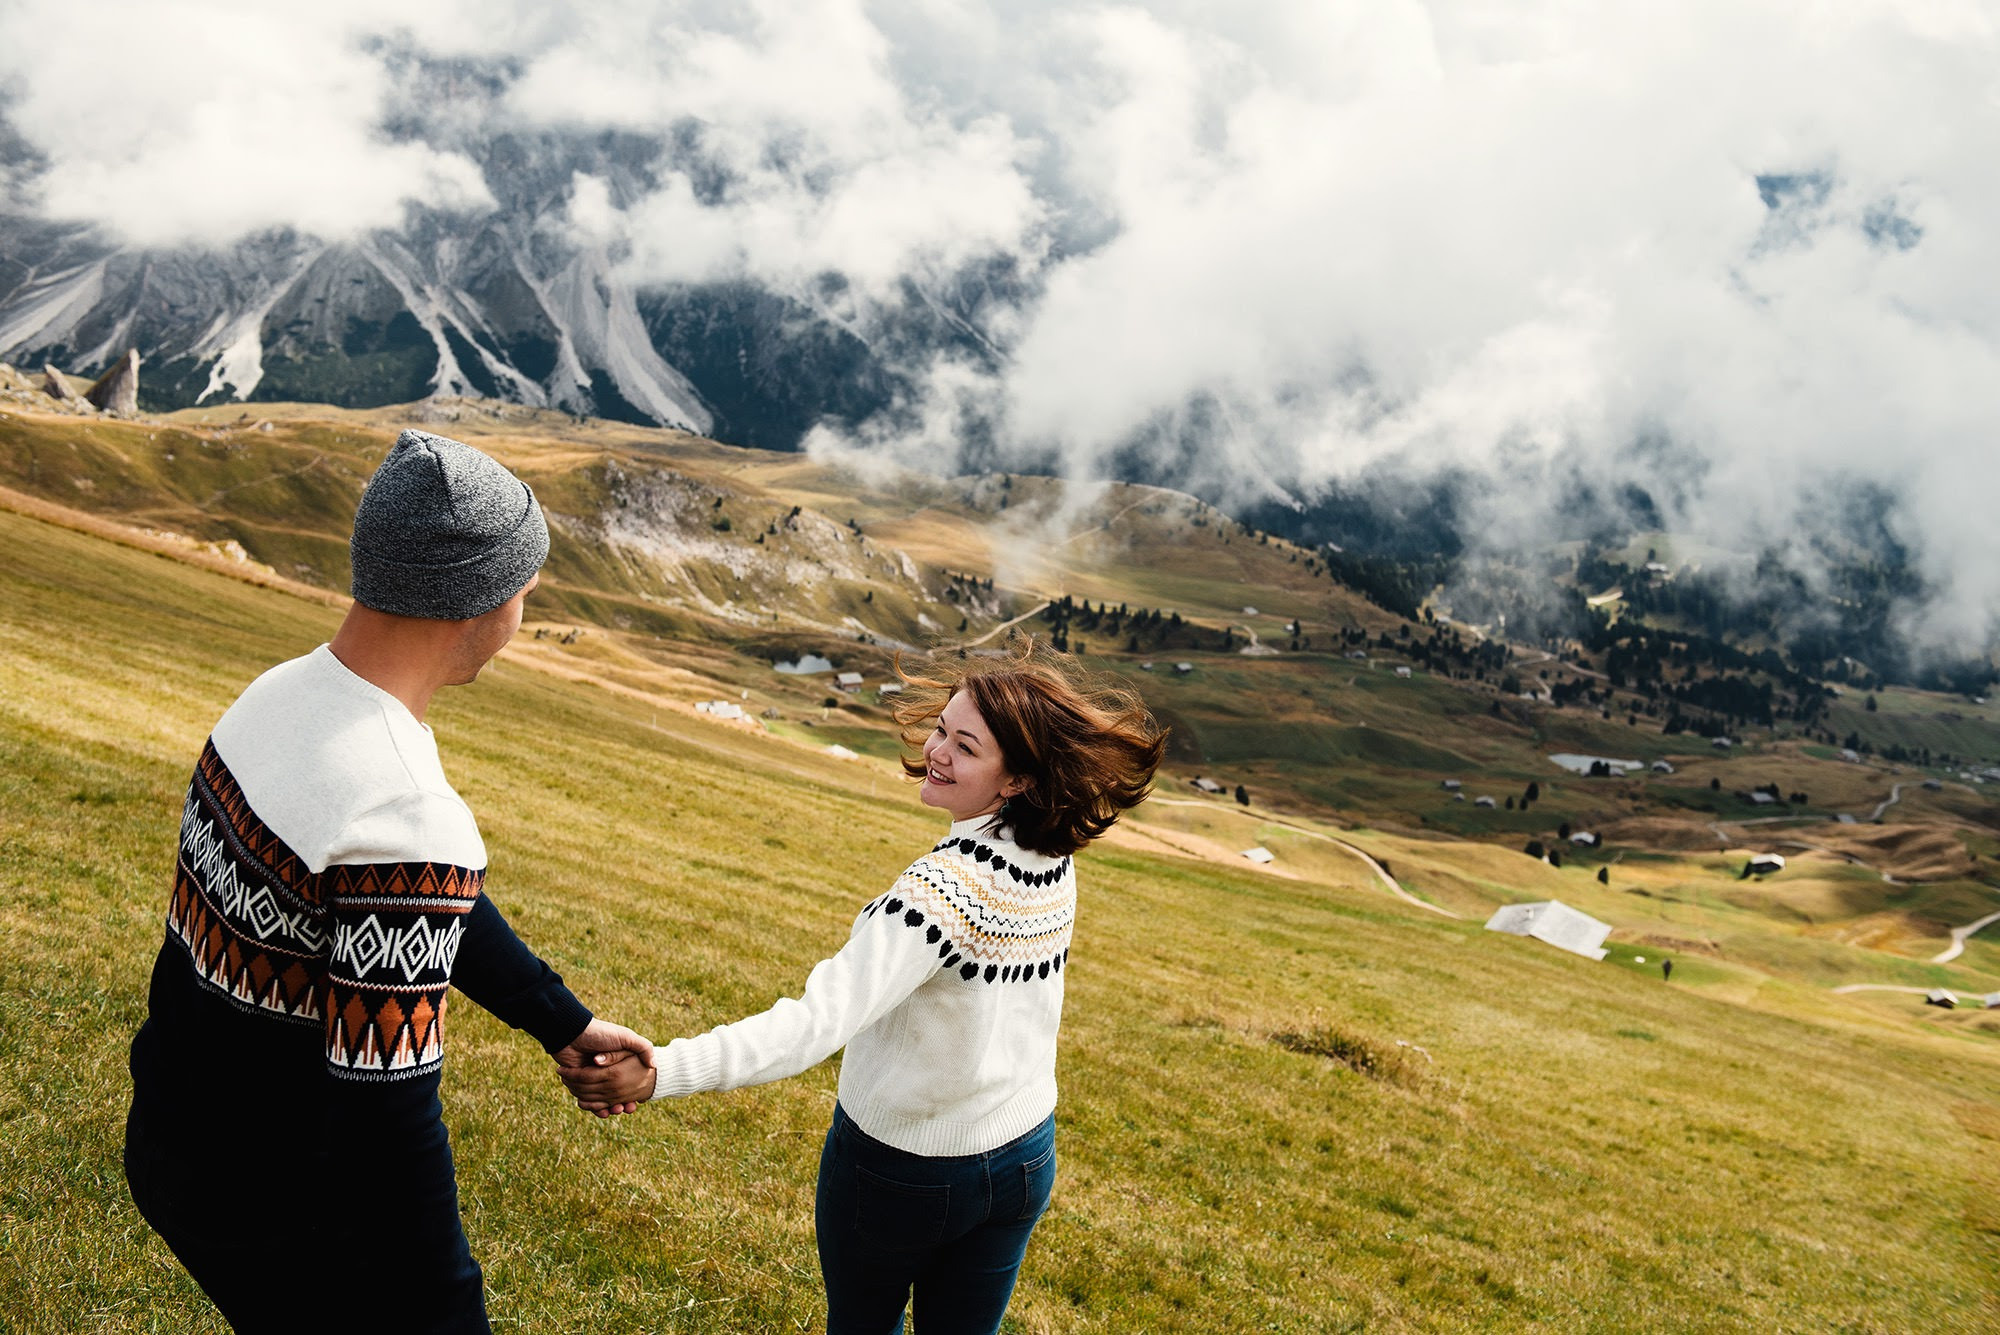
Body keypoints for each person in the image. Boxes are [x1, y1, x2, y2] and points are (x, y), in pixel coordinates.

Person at [124, 429, 654, 1335]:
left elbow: (411, 903)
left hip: (177, 1143)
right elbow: (388, 1125)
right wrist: (450, 1315)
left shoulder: (279, 694)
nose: (527, 606)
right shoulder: (404, 805)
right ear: (476, 597)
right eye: (526, 584)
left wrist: (555, 1016)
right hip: (285, 1221)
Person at [561, 643, 1165, 1334]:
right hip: (1025, 1157)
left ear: (1015, 780)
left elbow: (815, 1022)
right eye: (942, 727)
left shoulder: (938, 894)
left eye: (964, 745)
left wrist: (662, 1071)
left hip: (903, 1172)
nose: (936, 749)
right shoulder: (1051, 857)